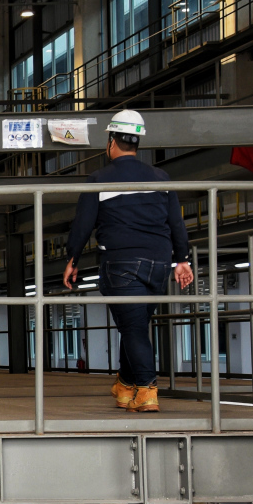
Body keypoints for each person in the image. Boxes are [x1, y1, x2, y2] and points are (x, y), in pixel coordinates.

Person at [62, 110, 195, 413]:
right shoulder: (162, 178)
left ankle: (147, 390)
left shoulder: (99, 179)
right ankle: (125, 386)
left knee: (132, 328)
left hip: (122, 262)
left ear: (111, 142)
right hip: (159, 264)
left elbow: (83, 224)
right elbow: (176, 223)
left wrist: (73, 258)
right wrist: (182, 260)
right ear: (137, 142)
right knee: (134, 323)